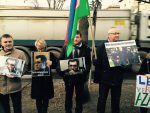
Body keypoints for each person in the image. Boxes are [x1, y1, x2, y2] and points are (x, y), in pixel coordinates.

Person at [58, 30, 91, 113]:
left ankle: (78, 111)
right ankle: (68, 111)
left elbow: (88, 63)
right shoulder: (66, 47)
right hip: (68, 78)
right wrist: (63, 74)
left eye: (77, 37)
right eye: (74, 37)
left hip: (80, 78)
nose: (75, 39)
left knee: (79, 97)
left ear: (80, 37)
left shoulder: (86, 48)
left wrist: (84, 73)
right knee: (68, 96)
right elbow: (60, 61)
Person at [94, 27, 125, 113]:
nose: (117, 35)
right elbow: (97, 63)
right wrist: (95, 61)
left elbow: (126, 63)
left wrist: (125, 63)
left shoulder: (121, 47)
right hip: (104, 79)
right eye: (115, 33)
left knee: (116, 101)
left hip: (117, 79)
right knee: (102, 100)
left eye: (118, 33)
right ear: (109, 35)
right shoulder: (101, 47)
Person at [0, 34, 26, 113]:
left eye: (10, 41)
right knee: (5, 108)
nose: (8, 43)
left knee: (17, 107)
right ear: (1, 43)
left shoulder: (20, 53)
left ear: (13, 42)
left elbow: (25, 68)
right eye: (5, 42)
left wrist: (16, 73)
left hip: (15, 87)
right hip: (2, 88)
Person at [31, 39, 55, 113]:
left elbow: (56, 65)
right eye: (39, 48)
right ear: (36, 47)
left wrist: (52, 63)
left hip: (46, 80)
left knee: (46, 98)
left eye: (42, 48)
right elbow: (29, 66)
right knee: (38, 98)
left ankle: (45, 111)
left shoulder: (50, 54)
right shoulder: (33, 55)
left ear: (45, 47)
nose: (41, 50)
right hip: (37, 80)